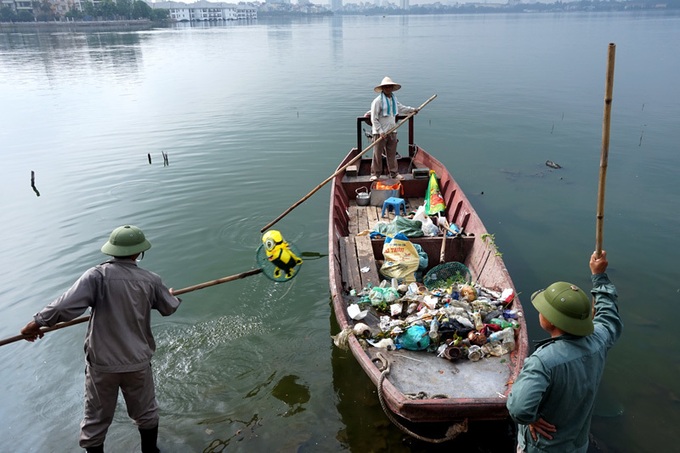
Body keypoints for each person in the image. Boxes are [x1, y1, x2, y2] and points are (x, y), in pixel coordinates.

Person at [20, 225, 182, 453]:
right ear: (139, 252)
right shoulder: (151, 280)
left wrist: (35, 323)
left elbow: (64, 306)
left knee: (96, 418)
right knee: (146, 413)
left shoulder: (96, 276)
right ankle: (150, 451)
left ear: (111, 250)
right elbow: (168, 308)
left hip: (102, 364)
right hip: (137, 361)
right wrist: (169, 295)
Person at [506, 250, 623, 452]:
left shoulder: (542, 362)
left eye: (543, 310)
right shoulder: (600, 340)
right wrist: (599, 276)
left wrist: (531, 419)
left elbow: (519, 408)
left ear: (550, 321)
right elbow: (609, 314)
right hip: (577, 445)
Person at [368, 76, 418, 181]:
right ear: (382, 88)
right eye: (386, 87)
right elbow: (374, 118)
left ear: (392, 88)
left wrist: (412, 110)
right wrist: (380, 131)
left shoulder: (394, 99)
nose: (388, 88)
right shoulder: (377, 101)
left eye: (389, 86)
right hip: (379, 133)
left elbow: (401, 108)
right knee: (377, 154)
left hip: (392, 131)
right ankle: (375, 174)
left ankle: (394, 173)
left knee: (392, 154)